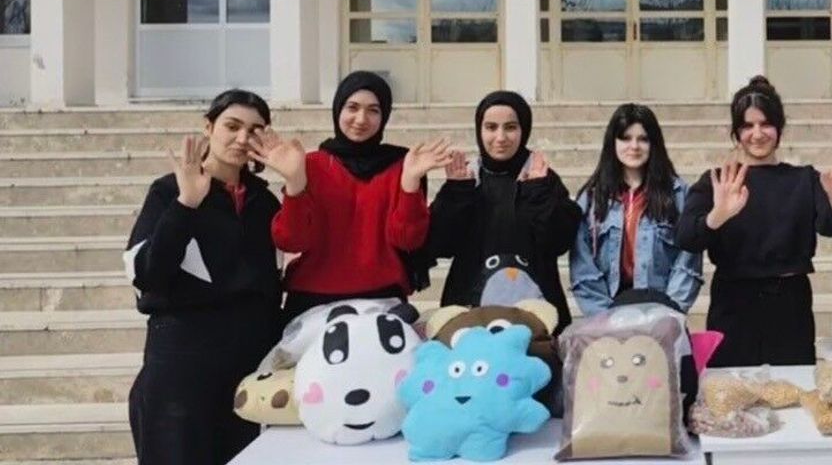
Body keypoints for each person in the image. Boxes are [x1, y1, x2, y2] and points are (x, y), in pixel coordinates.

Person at [125, 90, 282, 465]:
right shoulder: (168, 192)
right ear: (209, 127)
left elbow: (269, 286)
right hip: (181, 368)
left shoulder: (264, 202)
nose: (242, 138)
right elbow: (148, 275)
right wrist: (186, 205)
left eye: (254, 130)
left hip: (246, 371)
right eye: (232, 126)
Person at [676, 76, 832, 367]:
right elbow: (686, 237)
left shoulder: (804, 179)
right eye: (747, 126)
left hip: (789, 306)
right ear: (736, 132)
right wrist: (718, 216)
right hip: (734, 305)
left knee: (792, 387)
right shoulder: (719, 180)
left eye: (765, 124)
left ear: (779, 128)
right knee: (731, 389)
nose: (757, 134)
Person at [255, 71, 449, 324]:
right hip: (313, 300)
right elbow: (292, 240)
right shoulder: (310, 164)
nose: (361, 119)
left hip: (381, 297)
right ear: (338, 109)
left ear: (384, 116)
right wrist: (294, 182)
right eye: (353, 107)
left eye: (373, 110)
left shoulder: (403, 165)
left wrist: (411, 182)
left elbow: (407, 240)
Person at [428, 90, 582, 334]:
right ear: (479, 130)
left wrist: (537, 192)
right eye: (491, 127)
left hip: (535, 314)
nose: (500, 137)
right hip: (471, 314)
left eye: (510, 127)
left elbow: (558, 242)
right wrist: (456, 193)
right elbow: (440, 244)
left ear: (524, 130)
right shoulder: (468, 178)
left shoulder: (540, 178)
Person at [570, 103, 703, 316]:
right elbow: (582, 264)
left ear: (654, 143)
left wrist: (669, 312)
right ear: (613, 142)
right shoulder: (592, 198)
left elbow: (688, 260)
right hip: (607, 314)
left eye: (643, 139)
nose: (634, 146)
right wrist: (604, 317)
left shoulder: (678, 194)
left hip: (662, 312)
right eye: (625, 138)